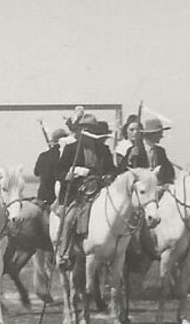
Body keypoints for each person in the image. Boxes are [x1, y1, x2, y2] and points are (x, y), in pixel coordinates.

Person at [54, 117, 118, 271]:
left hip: (101, 189)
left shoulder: (103, 150)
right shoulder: (71, 149)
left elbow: (112, 169)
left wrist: (108, 176)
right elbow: (58, 171)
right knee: (69, 219)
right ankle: (64, 253)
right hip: (78, 192)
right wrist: (69, 175)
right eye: (86, 130)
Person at [119, 115, 176, 185]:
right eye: (159, 133)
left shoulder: (160, 151)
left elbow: (170, 172)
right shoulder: (135, 149)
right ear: (152, 134)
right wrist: (130, 157)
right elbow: (122, 171)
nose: (162, 136)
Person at [33, 127, 71, 209]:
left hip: (42, 196)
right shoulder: (64, 156)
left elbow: (36, 172)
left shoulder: (43, 155)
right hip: (57, 199)